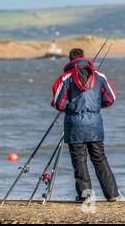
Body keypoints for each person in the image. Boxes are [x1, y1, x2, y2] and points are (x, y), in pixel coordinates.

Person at [51, 48, 120, 202]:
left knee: (79, 161)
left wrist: (69, 108)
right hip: (94, 124)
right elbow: (111, 98)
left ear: (70, 60)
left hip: (74, 125)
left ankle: (86, 197)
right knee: (100, 159)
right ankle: (112, 195)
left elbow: (58, 102)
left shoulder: (65, 78)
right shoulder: (99, 76)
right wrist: (95, 107)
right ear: (84, 57)